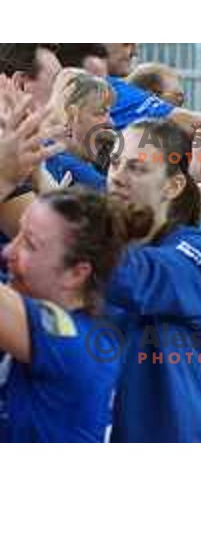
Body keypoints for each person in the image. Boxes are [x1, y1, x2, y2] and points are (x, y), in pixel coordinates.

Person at [0, 88, 140, 442]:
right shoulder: (76, 317)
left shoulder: (68, 339)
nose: (8, 253)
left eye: (30, 244)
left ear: (77, 272)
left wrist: (2, 177)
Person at [105, 119, 201, 442]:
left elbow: (136, 279)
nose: (117, 176)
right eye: (114, 163)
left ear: (173, 186)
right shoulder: (92, 246)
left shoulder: (200, 249)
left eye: (137, 168)